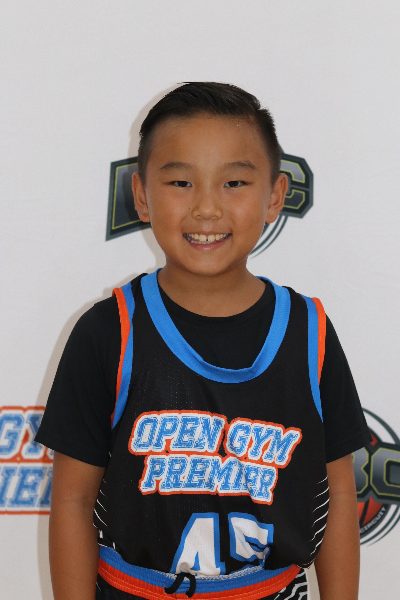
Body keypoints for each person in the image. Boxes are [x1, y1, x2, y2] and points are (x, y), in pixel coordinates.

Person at [36, 82, 371, 600]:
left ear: (275, 196)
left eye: (234, 182)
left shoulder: (310, 333)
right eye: (181, 183)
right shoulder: (108, 332)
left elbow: (339, 494)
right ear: (141, 196)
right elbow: (73, 503)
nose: (207, 208)